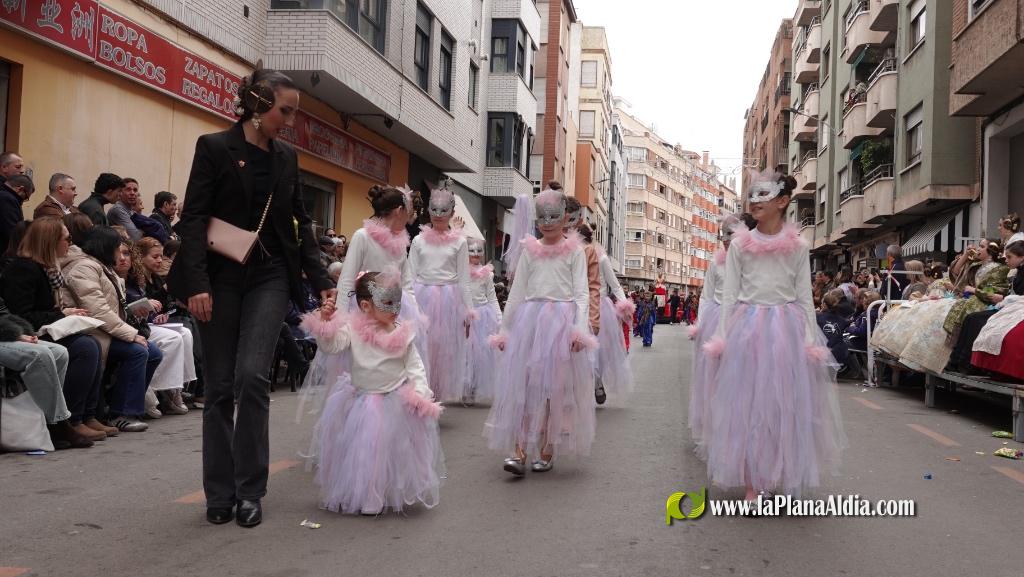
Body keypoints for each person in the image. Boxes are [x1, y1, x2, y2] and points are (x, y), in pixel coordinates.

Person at [167, 67, 332, 528]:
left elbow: (299, 221)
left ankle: (250, 491)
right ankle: (219, 492)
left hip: (270, 275)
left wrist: (318, 275)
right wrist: (197, 284)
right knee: (219, 386)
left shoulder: (286, 158)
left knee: (252, 376)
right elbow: (194, 218)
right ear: (258, 104)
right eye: (286, 111)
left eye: (295, 113)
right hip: (218, 278)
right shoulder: (214, 148)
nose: (291, 121)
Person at [703, 172, 845, 501]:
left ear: (782, 201)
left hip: (786, 330)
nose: (754, 201)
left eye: (762, 196)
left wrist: (810, 339)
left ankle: (772, 475)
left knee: (782, 408)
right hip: (747, 329)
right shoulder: (739, 245)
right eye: (751, 196)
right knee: (749, 406)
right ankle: (754, 485)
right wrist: (723, 336)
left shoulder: (798, 246)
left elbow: (805, 296)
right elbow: (730, 295)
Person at [300, 270, 444, 514]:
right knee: (366, 453)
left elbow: (415, 366)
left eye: (397, 301)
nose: (395, 308)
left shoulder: (402, 332)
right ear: (366, 306)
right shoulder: (353, 329)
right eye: (388, 302)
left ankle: (388, 491)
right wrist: (325, 324)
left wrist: (421, 392)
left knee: (394, 451)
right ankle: (368, 495)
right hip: (363, 402)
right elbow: (333, 346)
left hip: (395, 401)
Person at [486, 189, 596, 476]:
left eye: (554, 216)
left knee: (552, 391)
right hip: (530, 324)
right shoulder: (529, 251)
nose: (547, 222)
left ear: (566, 219)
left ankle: (548, 447)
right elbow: (517, 293)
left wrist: (579, 330)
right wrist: (505, 330)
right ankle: (519, 449)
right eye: (542, 217)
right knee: (523, 386)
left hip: (560, 326)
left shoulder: (575, 252)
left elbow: (582, 294)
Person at [0, 217, 108, 445]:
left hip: (28, 329)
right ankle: (67, 421)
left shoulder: (47, 269)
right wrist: (62, 315)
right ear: (50, 241)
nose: (70, 243)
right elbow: (23, 314)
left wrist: (65, 313)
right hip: (28, 330)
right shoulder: (24, 269)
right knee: (84, 348)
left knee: (89, 344)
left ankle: (84, 416)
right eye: (66, 238)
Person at [61, 226, 164, 432]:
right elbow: (97, 309)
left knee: (153, 352)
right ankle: (122, 413)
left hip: (105, 330)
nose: (121, 253)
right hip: (91, 331)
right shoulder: (84, 268)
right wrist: (131, 334)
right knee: (137, 352)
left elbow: (112, 306)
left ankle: (121, 405)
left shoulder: (102, 267)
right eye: (119, 248)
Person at [689, 213, 752, 459]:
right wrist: (701, 325)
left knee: (741, 380)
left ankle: (741, 432)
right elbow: (706, 296)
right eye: (723, 234)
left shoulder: (753, 259)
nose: (725, 239)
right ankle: (716, 432)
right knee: (714, 380)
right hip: (717, 322)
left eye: (731, 233)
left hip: (746, 321)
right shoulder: (716, 263)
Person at [409, 186, 474, 404]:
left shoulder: (460, 242)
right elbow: (410, 274)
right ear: (428, 210)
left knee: (442, 352)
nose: (438, 214)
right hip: (422, 296)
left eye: (443, 210)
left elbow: (464, 279)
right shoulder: (418, 240)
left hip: (449, 300)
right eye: (434, 209)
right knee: (420, 347)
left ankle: (434, 397)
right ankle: (420, 394)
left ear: (452, 213)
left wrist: (468, 311)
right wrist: (407, 306)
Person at [127, 237, 196, 415]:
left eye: (161, 257)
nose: (159, 260)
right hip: (140, 325)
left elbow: (163, 307)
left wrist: (163, 314)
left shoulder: (156, 279)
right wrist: (162, 294)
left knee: (186, 333)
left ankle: (176, 387)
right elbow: (143, 304)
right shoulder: (136, 279)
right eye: (155, 257)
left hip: (152, 323)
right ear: (141, 258)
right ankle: (159, 387)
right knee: (174, 338)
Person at [592, 223, 635, 402]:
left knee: (599, 350)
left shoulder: (601, 259)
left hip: (600, 308)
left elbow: (615, 285)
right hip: (576, 306)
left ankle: (598, 381)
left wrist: (625, 306)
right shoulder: (571, 256)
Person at [462, 238, 501, 406]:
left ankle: (473, 387)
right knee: (465, 354)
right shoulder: (460, 271)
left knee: (480, 355)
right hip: (465, 316)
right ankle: (465, 386)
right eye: (471, 250)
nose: (476, 254)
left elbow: (491, 297)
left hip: (483, 317)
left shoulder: (487, 273)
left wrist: (499, 317)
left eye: (479, 251)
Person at [0, 174, 34, 253]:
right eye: (25, 197)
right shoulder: (7, 199)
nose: (23, 201)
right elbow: (13, 231)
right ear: (20, 189)